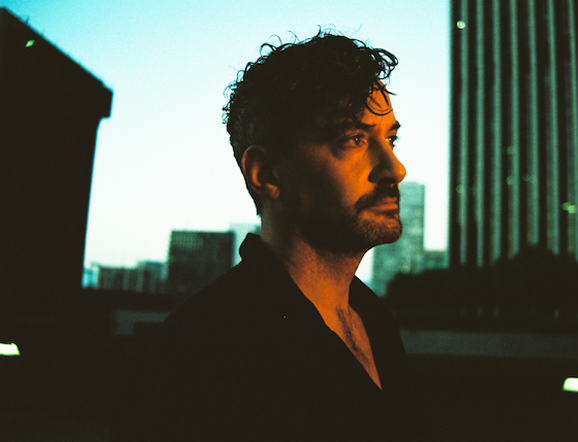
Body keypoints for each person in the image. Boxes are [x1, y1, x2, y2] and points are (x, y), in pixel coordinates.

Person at [114, 31, 411, 441]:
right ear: (266, 174)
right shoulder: (201, 351)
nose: (395, 169)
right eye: (353, 140)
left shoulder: (375, 319)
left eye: (390, 139)